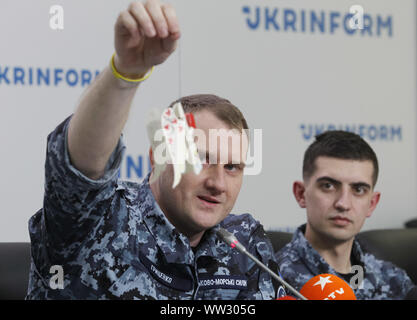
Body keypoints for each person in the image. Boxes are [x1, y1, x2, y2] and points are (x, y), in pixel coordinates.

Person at [26, 0, 279, 300]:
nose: (217, 183)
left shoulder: (245, 240)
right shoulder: (102, 218)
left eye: (232, 167)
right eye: (200, 160)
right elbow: (79, 169)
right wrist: (126, 72)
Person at [276, 130, 416, 299]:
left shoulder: (392, 279)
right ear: (301, 193)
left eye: (358, 190)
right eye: (328, 186)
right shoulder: (270, 279)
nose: (343, 203)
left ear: (372, 203)